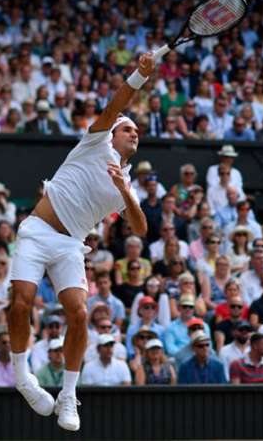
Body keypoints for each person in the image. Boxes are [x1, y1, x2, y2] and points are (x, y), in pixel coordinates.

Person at [8, 52, 154, 430]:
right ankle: (23, 378)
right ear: (112, 133)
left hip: (71, 245)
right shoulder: (94, 142)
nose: (133, 133)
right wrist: (139, 74)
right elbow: (116, 104)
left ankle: (69, 395)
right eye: (128, 129)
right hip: (38, 232)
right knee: (21, 302)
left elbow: (140, 229)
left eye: (137, 132)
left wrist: (126, 190)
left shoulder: (126, 181)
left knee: (79, 313)